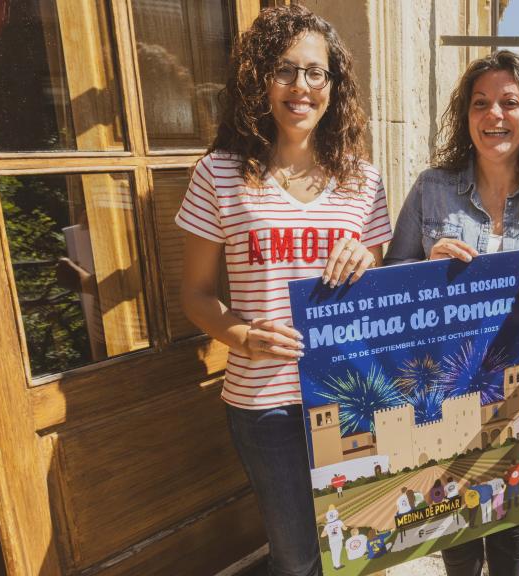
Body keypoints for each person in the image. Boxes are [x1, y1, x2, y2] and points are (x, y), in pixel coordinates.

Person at [175, 6, 391, 576]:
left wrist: (365, 255)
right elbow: (195, 294)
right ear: (260, 80)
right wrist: (242, 334)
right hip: (263, 401)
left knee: (360, 547)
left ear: (333, 84)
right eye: (285, 70)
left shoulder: (363, 179)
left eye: (316, 73)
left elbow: (377, 278)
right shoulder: (219, 173)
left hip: (351, 390)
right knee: (296, 559)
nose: (302, 87)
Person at [385, 50, 519, 576]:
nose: (495, 115)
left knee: (510, 530)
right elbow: (391, 276)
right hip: (446, 399)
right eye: (481, 103)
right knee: (453, 530)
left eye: (510, 102)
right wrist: (427, 270)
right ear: (466, 116)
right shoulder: (431, 189)